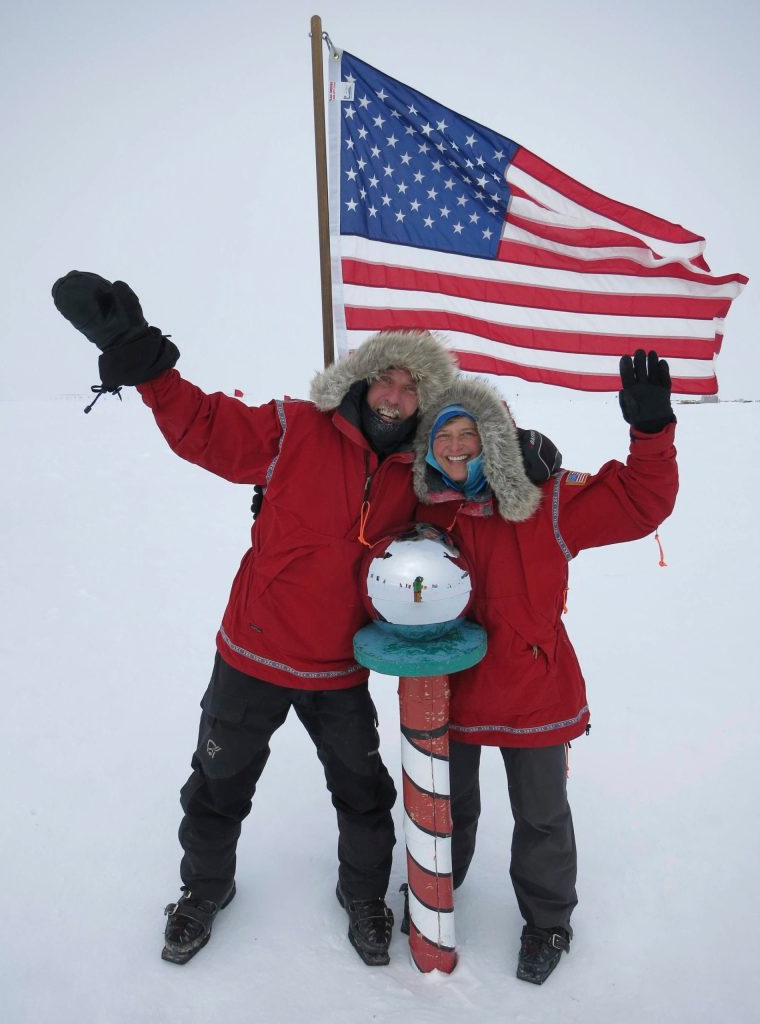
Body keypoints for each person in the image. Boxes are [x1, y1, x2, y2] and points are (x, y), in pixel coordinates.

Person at [50, 270, 559, 969]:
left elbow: (478, 497)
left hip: (338, 666)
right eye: (386, 379)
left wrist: (519, 459)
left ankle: (363, 899)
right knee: (217, 784)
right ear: (361, 378)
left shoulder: (422, 477)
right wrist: (144, 361)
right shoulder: (294, 427)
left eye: (413, 389)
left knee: (363, 794)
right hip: (252, 654)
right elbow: (207, 430)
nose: (395, 395)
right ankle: (203, 890)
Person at [408, 350, 678, 984]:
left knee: (542, 818)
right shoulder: (421, 509)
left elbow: (642, 503)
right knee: (449, 810)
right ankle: (432, 899)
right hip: (449, 694)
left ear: (495, 438)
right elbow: (361, 544)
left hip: (534, 692)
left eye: (469, 433)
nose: (455, 446)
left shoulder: (550, 500)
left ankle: (548, 920)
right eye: (443, 434)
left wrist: (650, 431)